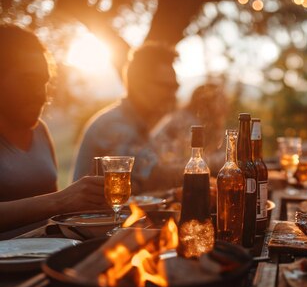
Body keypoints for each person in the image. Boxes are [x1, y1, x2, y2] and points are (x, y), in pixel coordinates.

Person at [0, 24, 106, 235]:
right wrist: (62, 200)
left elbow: (55, 214)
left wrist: (85, 205)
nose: (41, 96)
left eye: (44, 83)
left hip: (48, 256)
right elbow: (57, 202)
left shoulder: (40, 131)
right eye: (28, 81)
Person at [72, 42, 181, 193]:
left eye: (176, 87)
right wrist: (207, 167)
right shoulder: (113, 125)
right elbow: (155, 175)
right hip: (99, 216)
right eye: (166, 87)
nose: (172, 94)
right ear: (138, 84)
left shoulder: (143, 125)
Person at [151, 82, 228, 174]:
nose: (225, 105)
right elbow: (187, 161)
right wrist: (226, 159)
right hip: (155, 171)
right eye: (220, 101)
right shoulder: (187, 123)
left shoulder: (206, 124)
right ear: (206, 102)